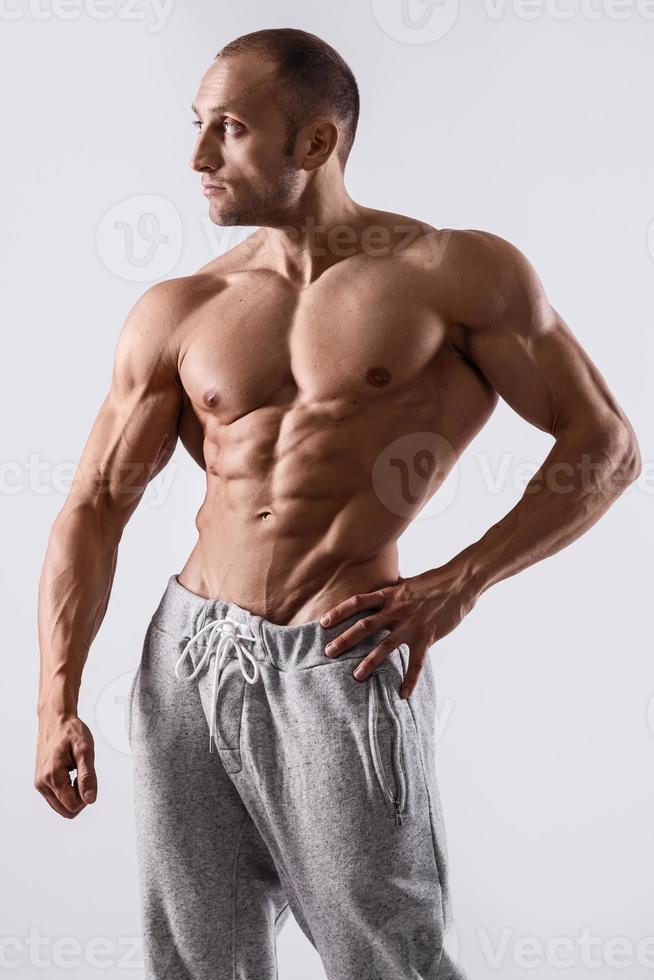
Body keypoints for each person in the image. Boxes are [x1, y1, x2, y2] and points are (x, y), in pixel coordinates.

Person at [35, 27, 641, 980]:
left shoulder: (457, 274)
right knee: (197, 960)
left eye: (229, 130)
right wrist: (55, 700)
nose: (198, 158)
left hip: (343, 650)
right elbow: (93, 506)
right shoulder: (180, 307)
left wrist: (458, 583)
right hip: (188, 658)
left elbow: (605, 445)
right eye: (196, 126)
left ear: (315, 144)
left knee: (382, 954)